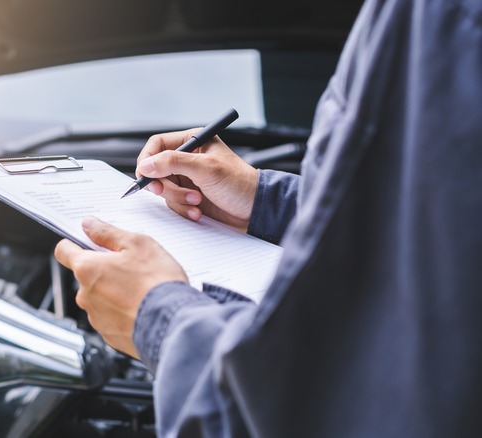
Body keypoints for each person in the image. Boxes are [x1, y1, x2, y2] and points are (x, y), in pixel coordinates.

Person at [54, 0, 482, 436]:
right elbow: (423, 234)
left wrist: (160, 320)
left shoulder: (445, 18)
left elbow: (352, 405)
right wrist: (264, 200)